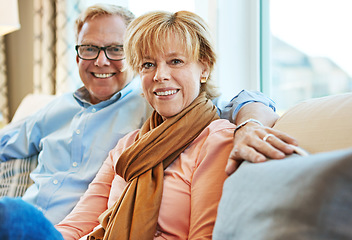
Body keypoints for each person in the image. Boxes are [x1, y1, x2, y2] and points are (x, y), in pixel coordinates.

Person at [0, 4, 296, 225]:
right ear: (77, 55)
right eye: (148, 65)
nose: (101, 61)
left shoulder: (174, 115)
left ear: (204, 67)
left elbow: (240, 100)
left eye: (114, 49)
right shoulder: (111, 136)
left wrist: (251, 124)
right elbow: (82, 220)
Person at [55, 9, 243, 239]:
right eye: (148, 64)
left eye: (175, 61)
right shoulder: (128, 145)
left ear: (204, 68)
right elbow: (75, 226)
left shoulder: (216, 139)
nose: (160, 75)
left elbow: (205, 236)